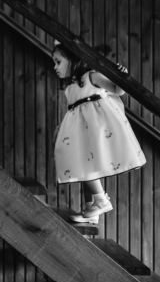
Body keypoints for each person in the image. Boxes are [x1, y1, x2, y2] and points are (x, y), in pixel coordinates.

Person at [52, 43, 146, 223]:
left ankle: (101, 200)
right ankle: (91, 209)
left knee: (84, 165)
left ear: (72, 59)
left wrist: (120, 76)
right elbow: (72, 113)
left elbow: (117, 90)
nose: (55, 67)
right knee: (83, 165)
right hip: (79, 132)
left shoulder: (91, 76)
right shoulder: (70, 88)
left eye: (58, 62)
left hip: (95, 129)